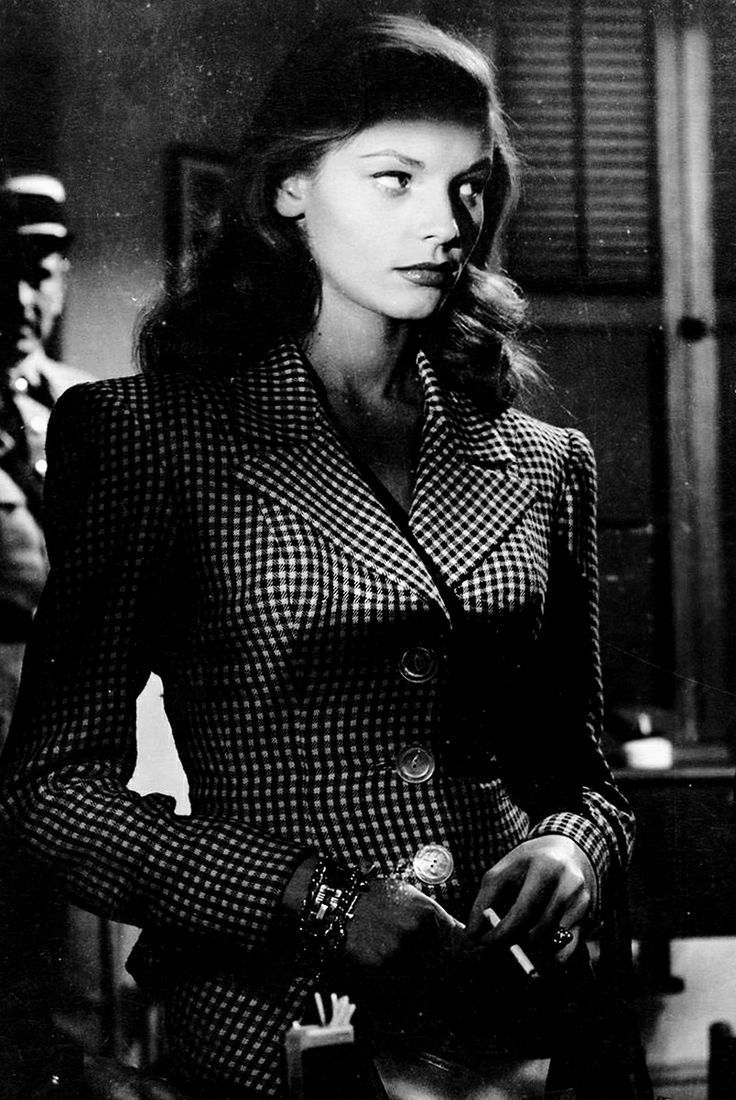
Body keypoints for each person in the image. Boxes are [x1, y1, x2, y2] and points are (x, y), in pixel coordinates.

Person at [0, 16, 643, 1100]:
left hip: (525, 1021)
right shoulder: (151, 437)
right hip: (279, 1031)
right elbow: (49, 793)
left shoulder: (544, 462)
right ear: (290, 187)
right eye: (395, 178)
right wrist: (320, 904)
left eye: (469, 186)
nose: (445, 223)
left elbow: (581, 776)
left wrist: (574, 846)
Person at [0, 174, 88, 746]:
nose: (18, 301)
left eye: (38, 277)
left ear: (63, 281)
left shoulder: (89, 402)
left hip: (78, 725)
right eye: (1, 277)